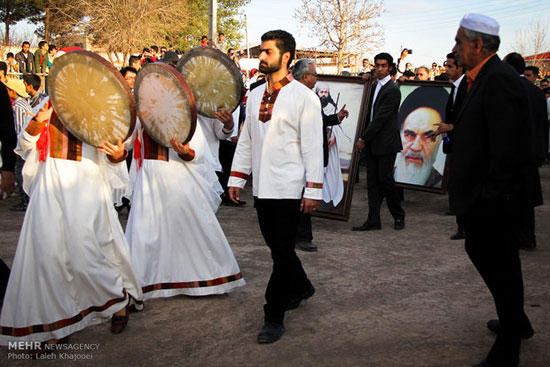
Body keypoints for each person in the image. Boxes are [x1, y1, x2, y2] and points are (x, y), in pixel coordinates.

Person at [0, 102, 143, 344]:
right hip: (49, 189)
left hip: (88, 187)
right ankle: (53, 326)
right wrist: (39, 122)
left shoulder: (102, 106)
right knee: (47, 257)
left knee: (91, 252)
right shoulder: (47, 103)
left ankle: (118, 299)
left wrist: (117, 156)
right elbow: (24, 145)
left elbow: (116, 152)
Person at [449, 13, 538, 367]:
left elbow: (507, 149)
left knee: (501, 265)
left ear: (476, 45)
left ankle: (509, 347)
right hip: (487, 195)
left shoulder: (499, 80)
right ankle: (517, 321)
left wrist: (490, 197)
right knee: (492, 257)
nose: (454, 49)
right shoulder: (480, 79)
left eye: (458, 42)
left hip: (498, 198)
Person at [228, 30, 323, 344]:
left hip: (289, 188)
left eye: (267, 52)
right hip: (262, 189)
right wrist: (237, 178)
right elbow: (246, 141)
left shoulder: (304, 97)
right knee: (279, 249)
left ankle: (273, 316)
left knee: (280, 254)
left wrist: (312, 190)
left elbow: (313, 148)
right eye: (261, 51)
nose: (261, 56)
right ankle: (303, 286)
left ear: (286, 57)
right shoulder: (254, 94)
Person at [125, 119, 244, 305]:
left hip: (177, 175)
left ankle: (204, 277)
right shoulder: (141, 112)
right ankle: (141, 282)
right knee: (144, 232)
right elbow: (126, 141)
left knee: (188, 229)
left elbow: (197, 152)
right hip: (147, 176)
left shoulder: (183, 111)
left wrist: (186, 152)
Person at [292, 59, 349, 253]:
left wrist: (337, 118)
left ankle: (303, 236)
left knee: (303, 195)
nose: (317, 79)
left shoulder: (311, 98)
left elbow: (320, 121)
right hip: (296, 155)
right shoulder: (292, 96)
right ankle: (299, 236)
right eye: (315, 75)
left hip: (311, 155)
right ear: (305, 76)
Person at [353, 52, 405, 231]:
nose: (380, 69)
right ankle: (373, 220)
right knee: (372, 183)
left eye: (384, 66)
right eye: (378, 65)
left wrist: (363, 138)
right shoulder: (374, 85)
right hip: (374, 142)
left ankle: (398, 215)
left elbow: (380, 119)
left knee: (385, 180)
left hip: (386, 143)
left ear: (390, 67)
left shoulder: (392, 89)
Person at [503, 52, 547, 251]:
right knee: (526, 198)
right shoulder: (537, 92)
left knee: (510, 197)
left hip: (513, 152)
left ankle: (512, 236)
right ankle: (527, 237)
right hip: (533, 150)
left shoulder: (509, 89)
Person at [434, 52, 468, 240]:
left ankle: (465, 227)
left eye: (450, 66)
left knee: (462, 184)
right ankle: (460, 220)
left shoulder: (467, 87)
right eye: (445, 65)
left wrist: (452, 127)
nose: (446, 69)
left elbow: (470, 117)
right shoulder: (455, 87)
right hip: (455, 143)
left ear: (460, 68)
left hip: (465, 145)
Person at [394, 86, 448, 188]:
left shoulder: (440, 183)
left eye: (428, 136)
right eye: (410, 134)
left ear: (441, 139)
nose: (416, 147)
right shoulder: (387, 176)